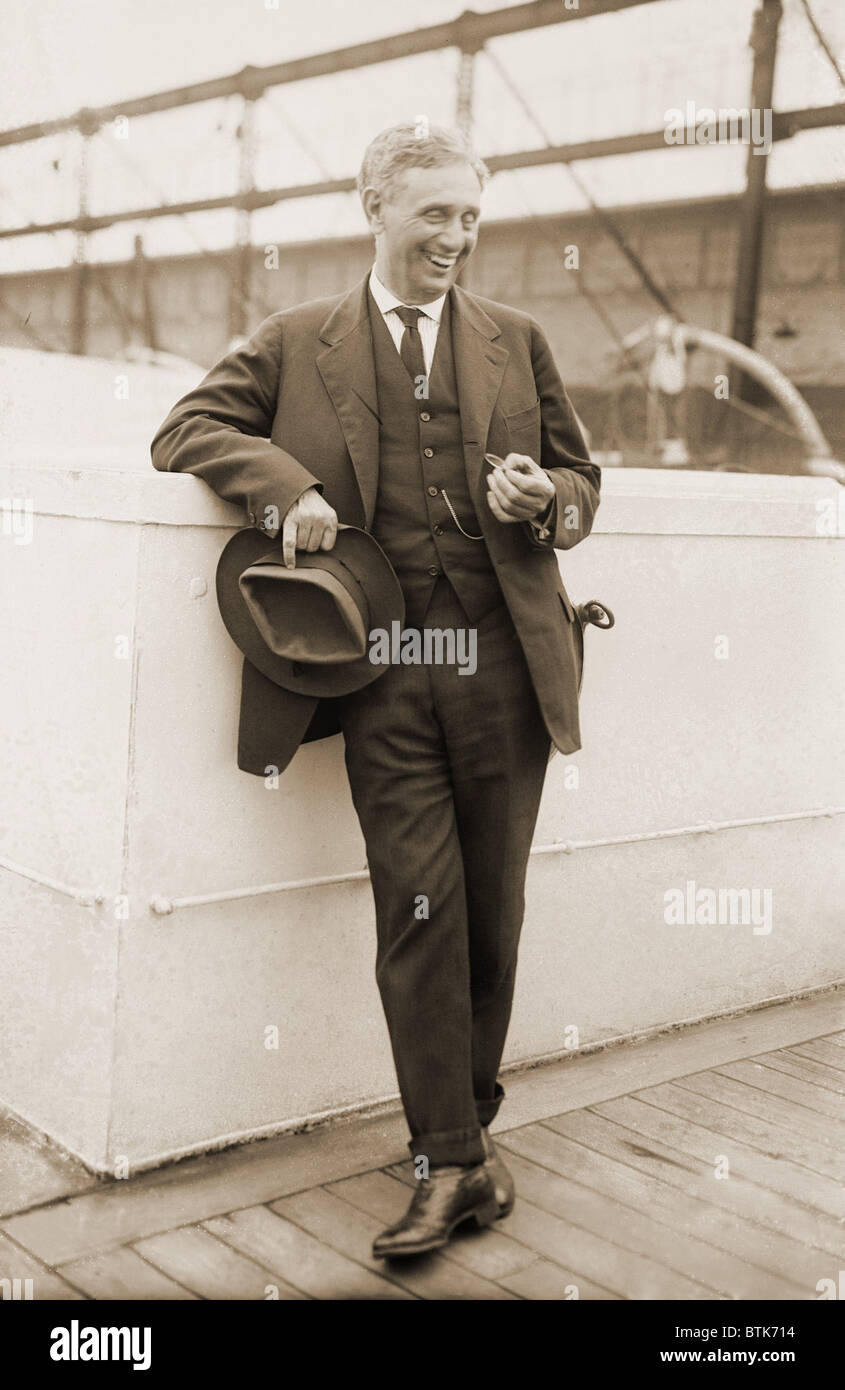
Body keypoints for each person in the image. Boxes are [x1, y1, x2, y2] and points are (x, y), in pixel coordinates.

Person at [151, 121, 601, 1259]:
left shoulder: (516, 338)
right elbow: (184, 428)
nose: (455, 237)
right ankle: (447, 1160)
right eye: (434, 213)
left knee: (492, 911)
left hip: (504, 664)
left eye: (469, 217)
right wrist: (284, 488)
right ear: (374, 207)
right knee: (416, 910)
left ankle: (471, 1138)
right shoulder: (297, 339)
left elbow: (582, 481)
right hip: (384, 673)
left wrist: (544, 496)